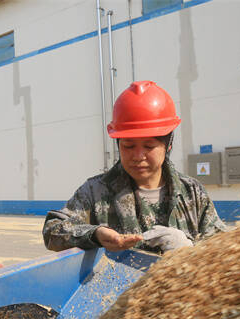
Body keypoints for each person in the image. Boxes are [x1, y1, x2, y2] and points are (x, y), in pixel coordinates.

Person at [43, 81, 226, 254]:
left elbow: (223, 250)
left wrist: (189, 250)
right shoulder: (96, 191)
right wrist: (94, 234)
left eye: (149, 146)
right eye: (128, 146)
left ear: (168, 145)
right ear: (118, 144)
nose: (138, 157)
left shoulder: (192, 193)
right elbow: (52, 230)